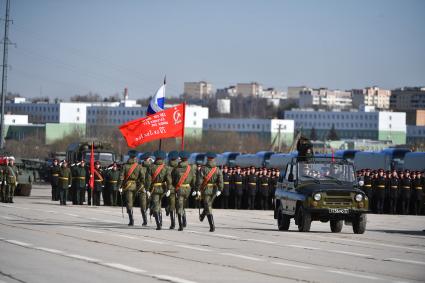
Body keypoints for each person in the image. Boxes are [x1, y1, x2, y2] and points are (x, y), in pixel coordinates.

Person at [195, 152, 223, 232]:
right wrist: (220, 189)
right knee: (208, 205)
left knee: (208, 206)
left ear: (207, 159)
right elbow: (220, 180)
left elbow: (199, 181)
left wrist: (198, 190)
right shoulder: (217, 169)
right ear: (214, 159)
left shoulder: (203, 169)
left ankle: (212, 226)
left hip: (206, 189)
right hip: (214, 190)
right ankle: (203, 215)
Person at [146, 150, 171, 230]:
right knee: (159, 204)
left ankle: (158, 224)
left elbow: (148, 180)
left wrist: (148, 190)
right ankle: (160, 221)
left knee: (156, 205)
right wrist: (168, 189)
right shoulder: (166, 167)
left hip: (155, 188)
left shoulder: (151, 167)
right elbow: (168, 179)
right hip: (163, 188)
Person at [172, 151, 196, 231]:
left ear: (180, 159)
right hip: (188, 190)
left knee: (179, 206)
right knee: (182, 205)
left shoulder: (176, 169)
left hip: (180, 189)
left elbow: (174, 180)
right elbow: (193, 180)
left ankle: (181, 225)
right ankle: (184, 221)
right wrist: (194, 189)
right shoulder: (191, 168)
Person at [119, 150, 143, 226]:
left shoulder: (125, 166)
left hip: (128, 186)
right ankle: (131, 217)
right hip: (136, 186)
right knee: (132, 202)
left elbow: (121, 177)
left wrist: (120, 186)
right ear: (135, 157)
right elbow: (142, 177)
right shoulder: (139, 166)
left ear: (129, 157)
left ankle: (131, 219)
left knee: (129, 203)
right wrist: (140, 185)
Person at [166, 151, 179, 229]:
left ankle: (173, 223)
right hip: (179, 187)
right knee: (180, 204)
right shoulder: (180, 166)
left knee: (171, 205)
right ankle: (183, 221)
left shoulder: (167, 167)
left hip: (170, 188)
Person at [138, 152, 151, 226]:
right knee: (147, 205)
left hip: (143, 188)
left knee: (143, 205)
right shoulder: (152, 166)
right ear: (148, 159)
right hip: (149, 188)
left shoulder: (140, 167)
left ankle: (145, 220)